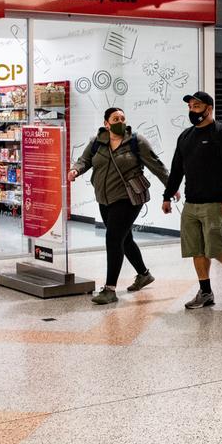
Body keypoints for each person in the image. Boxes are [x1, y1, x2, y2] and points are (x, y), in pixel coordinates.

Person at [69, 107, 170, 306]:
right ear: (106, 123)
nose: (120, 121)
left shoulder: (136, 141)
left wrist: (171, 187)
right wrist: (75, 170)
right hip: (104, 198)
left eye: (122, 118)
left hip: (129, 197)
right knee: (124, 238)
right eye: (115, 118)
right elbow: (85, 160)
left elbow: (156, 165)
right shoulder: (97, 141)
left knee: (113, 238)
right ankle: (144, 274)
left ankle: (110, 289)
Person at [162, 91, 222, 309]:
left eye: (197, 106)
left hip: (216, 202)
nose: (192, 110)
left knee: (215, 247)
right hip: (191, 203)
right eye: (190, 106)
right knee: (196, 249)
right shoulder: (185, 137)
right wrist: (167, 196)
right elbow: (176, 169)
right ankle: (206, 292)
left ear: (209, 108)